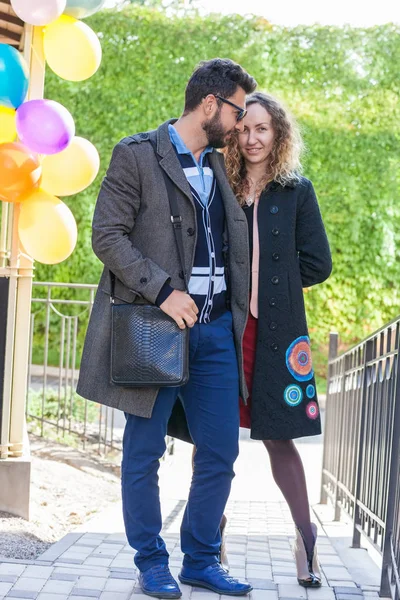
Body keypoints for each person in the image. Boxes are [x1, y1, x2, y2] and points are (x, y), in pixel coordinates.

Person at [77, 58, 257, 599]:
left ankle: (200, 559)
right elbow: (106, 235)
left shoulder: (224, 167)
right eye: (238, 111)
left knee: (222, 450)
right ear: (210, 105)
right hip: (155, 327)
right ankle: (151, 560)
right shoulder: (136, 155)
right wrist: (162, 289)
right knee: (144, 450)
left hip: (216, 330)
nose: (243, 123)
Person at [168, 91, 332, 587]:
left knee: (280, 438)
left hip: (278, 334)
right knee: (210, 439)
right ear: (234, 133)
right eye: (245, 128)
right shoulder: (220, 183)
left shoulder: (295, 190)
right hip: (224, 327)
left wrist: (272, 285)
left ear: (278, 134)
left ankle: (306, 542)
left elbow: (318, 263)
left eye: (263, 128)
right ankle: (207, 538)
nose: (253, 137)